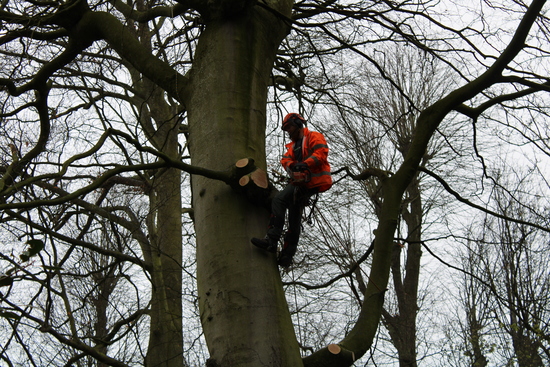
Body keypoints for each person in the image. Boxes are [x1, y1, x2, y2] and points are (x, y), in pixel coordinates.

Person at [251, 113, 332, 267]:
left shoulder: (313, 136)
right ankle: (287, 256)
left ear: (298, 123)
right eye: (286, 129)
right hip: (300, 183)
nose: (288, 131)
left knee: (279, 200)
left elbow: (321, 153)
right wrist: (292, 166)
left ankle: (271, 240)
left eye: (290, 127)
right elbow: (285, 159)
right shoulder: (293, 146)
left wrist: (305, 164)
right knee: (294, 217)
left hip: (312, 181)